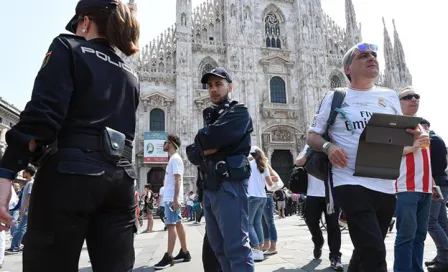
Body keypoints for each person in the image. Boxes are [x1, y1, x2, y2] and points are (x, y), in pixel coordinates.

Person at [0, 0, 140, 271]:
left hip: (71, 176)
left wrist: (7, 171)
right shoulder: (130, 74)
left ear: (85, 21)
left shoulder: (69, 47)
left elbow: (43, 116)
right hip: (121, 181)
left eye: (77, 25)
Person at [307, 42, 426, 272]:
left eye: (373, 55)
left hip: (384, 182)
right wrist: (329, 147)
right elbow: (312, 136)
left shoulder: (390, 97)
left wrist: (413, 136)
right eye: (363, 56)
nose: (372, 58)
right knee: (375, 252)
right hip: (349, 180)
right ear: (348, 69)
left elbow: (396, 139)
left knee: (366, 248)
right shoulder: (335, 97)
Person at [186, 67, 254, 271]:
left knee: (236, 248)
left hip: (230, 187)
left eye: (219, 84)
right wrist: (204, 145)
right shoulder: (212, 115)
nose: (213, 89)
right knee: (218, 248)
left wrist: (204, 143)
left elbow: (207, 139)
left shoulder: (239, 112)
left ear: (229, 86)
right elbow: (192, 152)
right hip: (210, 187)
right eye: (210, 86)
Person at [394, 87, 432, 272]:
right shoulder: (396, 124)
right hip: (406, 187)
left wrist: (433, 184)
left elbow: (426, 160)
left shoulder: (420, 126)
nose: (413, 99)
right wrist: (413, 146)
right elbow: (386, 152)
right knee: (406, 235)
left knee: (420, 236)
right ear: (398, 102)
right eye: (407, 97)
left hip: (425, 189)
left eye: (416, 96)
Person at [296, 145, 343, 271]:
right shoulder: (309, 146)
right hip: (313, 193)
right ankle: (318, 241)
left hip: (331, 193)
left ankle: (335, 256)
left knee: (333, 226)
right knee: (311, 221)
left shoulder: (336, 143)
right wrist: (313, 150)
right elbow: (298, 162)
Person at [154, 134, 191, 270]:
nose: (163, 144)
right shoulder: (173, 159)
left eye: (165, 142)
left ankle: (168, 256)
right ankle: (185, 252)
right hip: (172, 198)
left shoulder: (175, 159)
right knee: (178, 223)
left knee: (171, 225)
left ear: (170, 144)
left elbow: (178, 179)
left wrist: (175, 198)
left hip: (171, 198)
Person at [421, 119, 448, 272]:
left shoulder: (431, 140)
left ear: (425, 126)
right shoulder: (437, 139)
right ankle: (442, 256)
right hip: (441, 183)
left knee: (431, 221)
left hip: (435, 184)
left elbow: (428, 164)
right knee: (441, 222)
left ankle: (445, 258)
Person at [247, 146, 274, 262]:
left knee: (249, 224)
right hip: (262, 196)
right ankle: (260, 249)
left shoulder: (249, 165)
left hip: (252, 196)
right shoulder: (263, 165)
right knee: (257, 223)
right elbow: (270, 183)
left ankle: (257, 250)